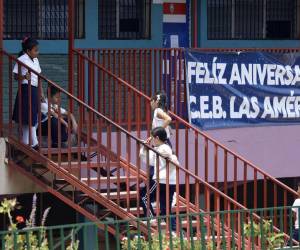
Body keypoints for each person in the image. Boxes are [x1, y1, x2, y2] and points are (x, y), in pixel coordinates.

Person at [140, 127, 178, 231]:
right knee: (166, 209)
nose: (151, 140)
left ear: (157, 138)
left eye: (152, 138)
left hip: (161, 181)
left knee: (144, 197)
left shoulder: (164, 147)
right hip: (169, 182)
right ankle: (173, 231)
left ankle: (151, 218)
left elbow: (167, 154)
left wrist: (149, 148)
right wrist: (145, 148)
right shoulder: (161, 148)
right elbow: (150, 160)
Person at [12, 37, 41, 149]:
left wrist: (41, 92)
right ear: (28, 51)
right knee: (28, 116)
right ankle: (34, 142)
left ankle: (25, 142)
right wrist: (24, 76)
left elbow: (38, 76)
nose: (37, 52)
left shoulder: (36, 60)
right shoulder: (22, 59)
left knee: (32, 115)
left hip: (34, 89)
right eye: (35, 50)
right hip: (25, 89)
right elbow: (15, 76)